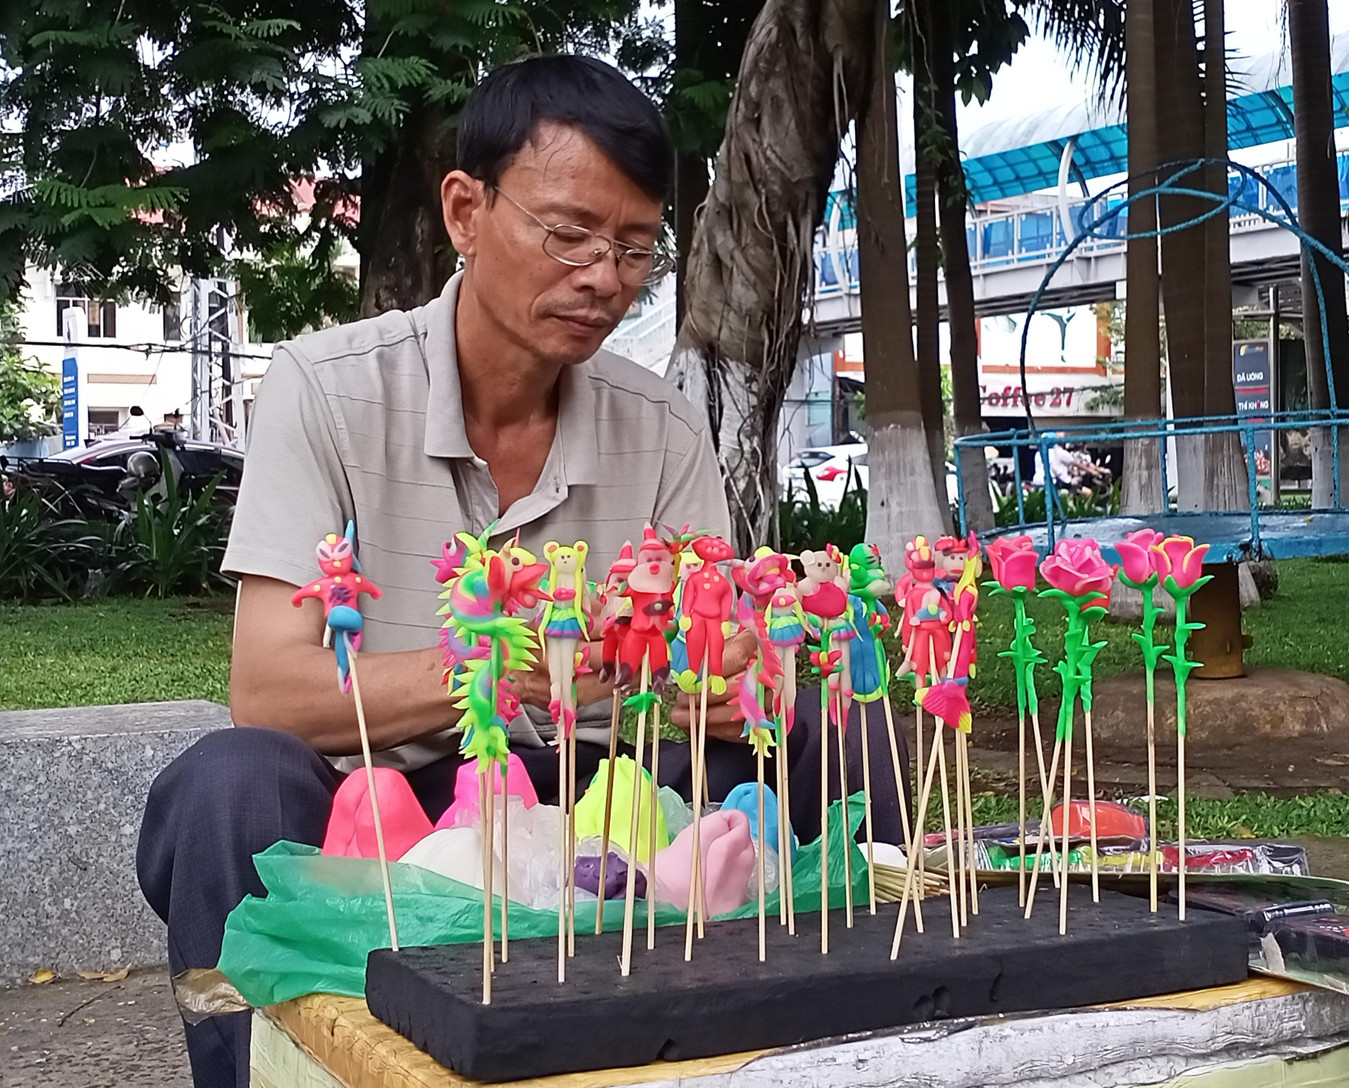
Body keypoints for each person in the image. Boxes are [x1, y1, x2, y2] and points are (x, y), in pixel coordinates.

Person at [136, 54, 906, 1088]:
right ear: (465, 209)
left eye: (635, 248)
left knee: (846, 725)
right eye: (568, 233)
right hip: (395, 788)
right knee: (227, 785)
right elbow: (269, 692)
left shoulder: (664, 425)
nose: (603, 276)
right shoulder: (323, 390)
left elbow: (724, 666)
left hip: (611, 785)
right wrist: (498, 670)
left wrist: (733, 675)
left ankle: (878, 1043)